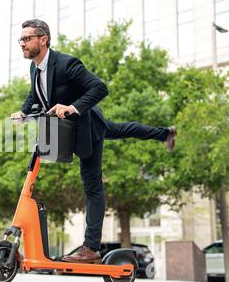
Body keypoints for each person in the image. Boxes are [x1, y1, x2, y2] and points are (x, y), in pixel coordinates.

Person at [11, 19, 176, 263]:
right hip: (70, 129)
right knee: (124, 129)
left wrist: (72, 107)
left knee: (92, 186)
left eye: (27, 39)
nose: (22, 44)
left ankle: (91, 248)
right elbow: (34, 94)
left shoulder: (67, 64)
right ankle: (165, 133)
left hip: (87, 128)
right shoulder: (35, 68)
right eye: (21, 40)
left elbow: (100, 88)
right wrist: (24, 112)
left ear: (43, 40)